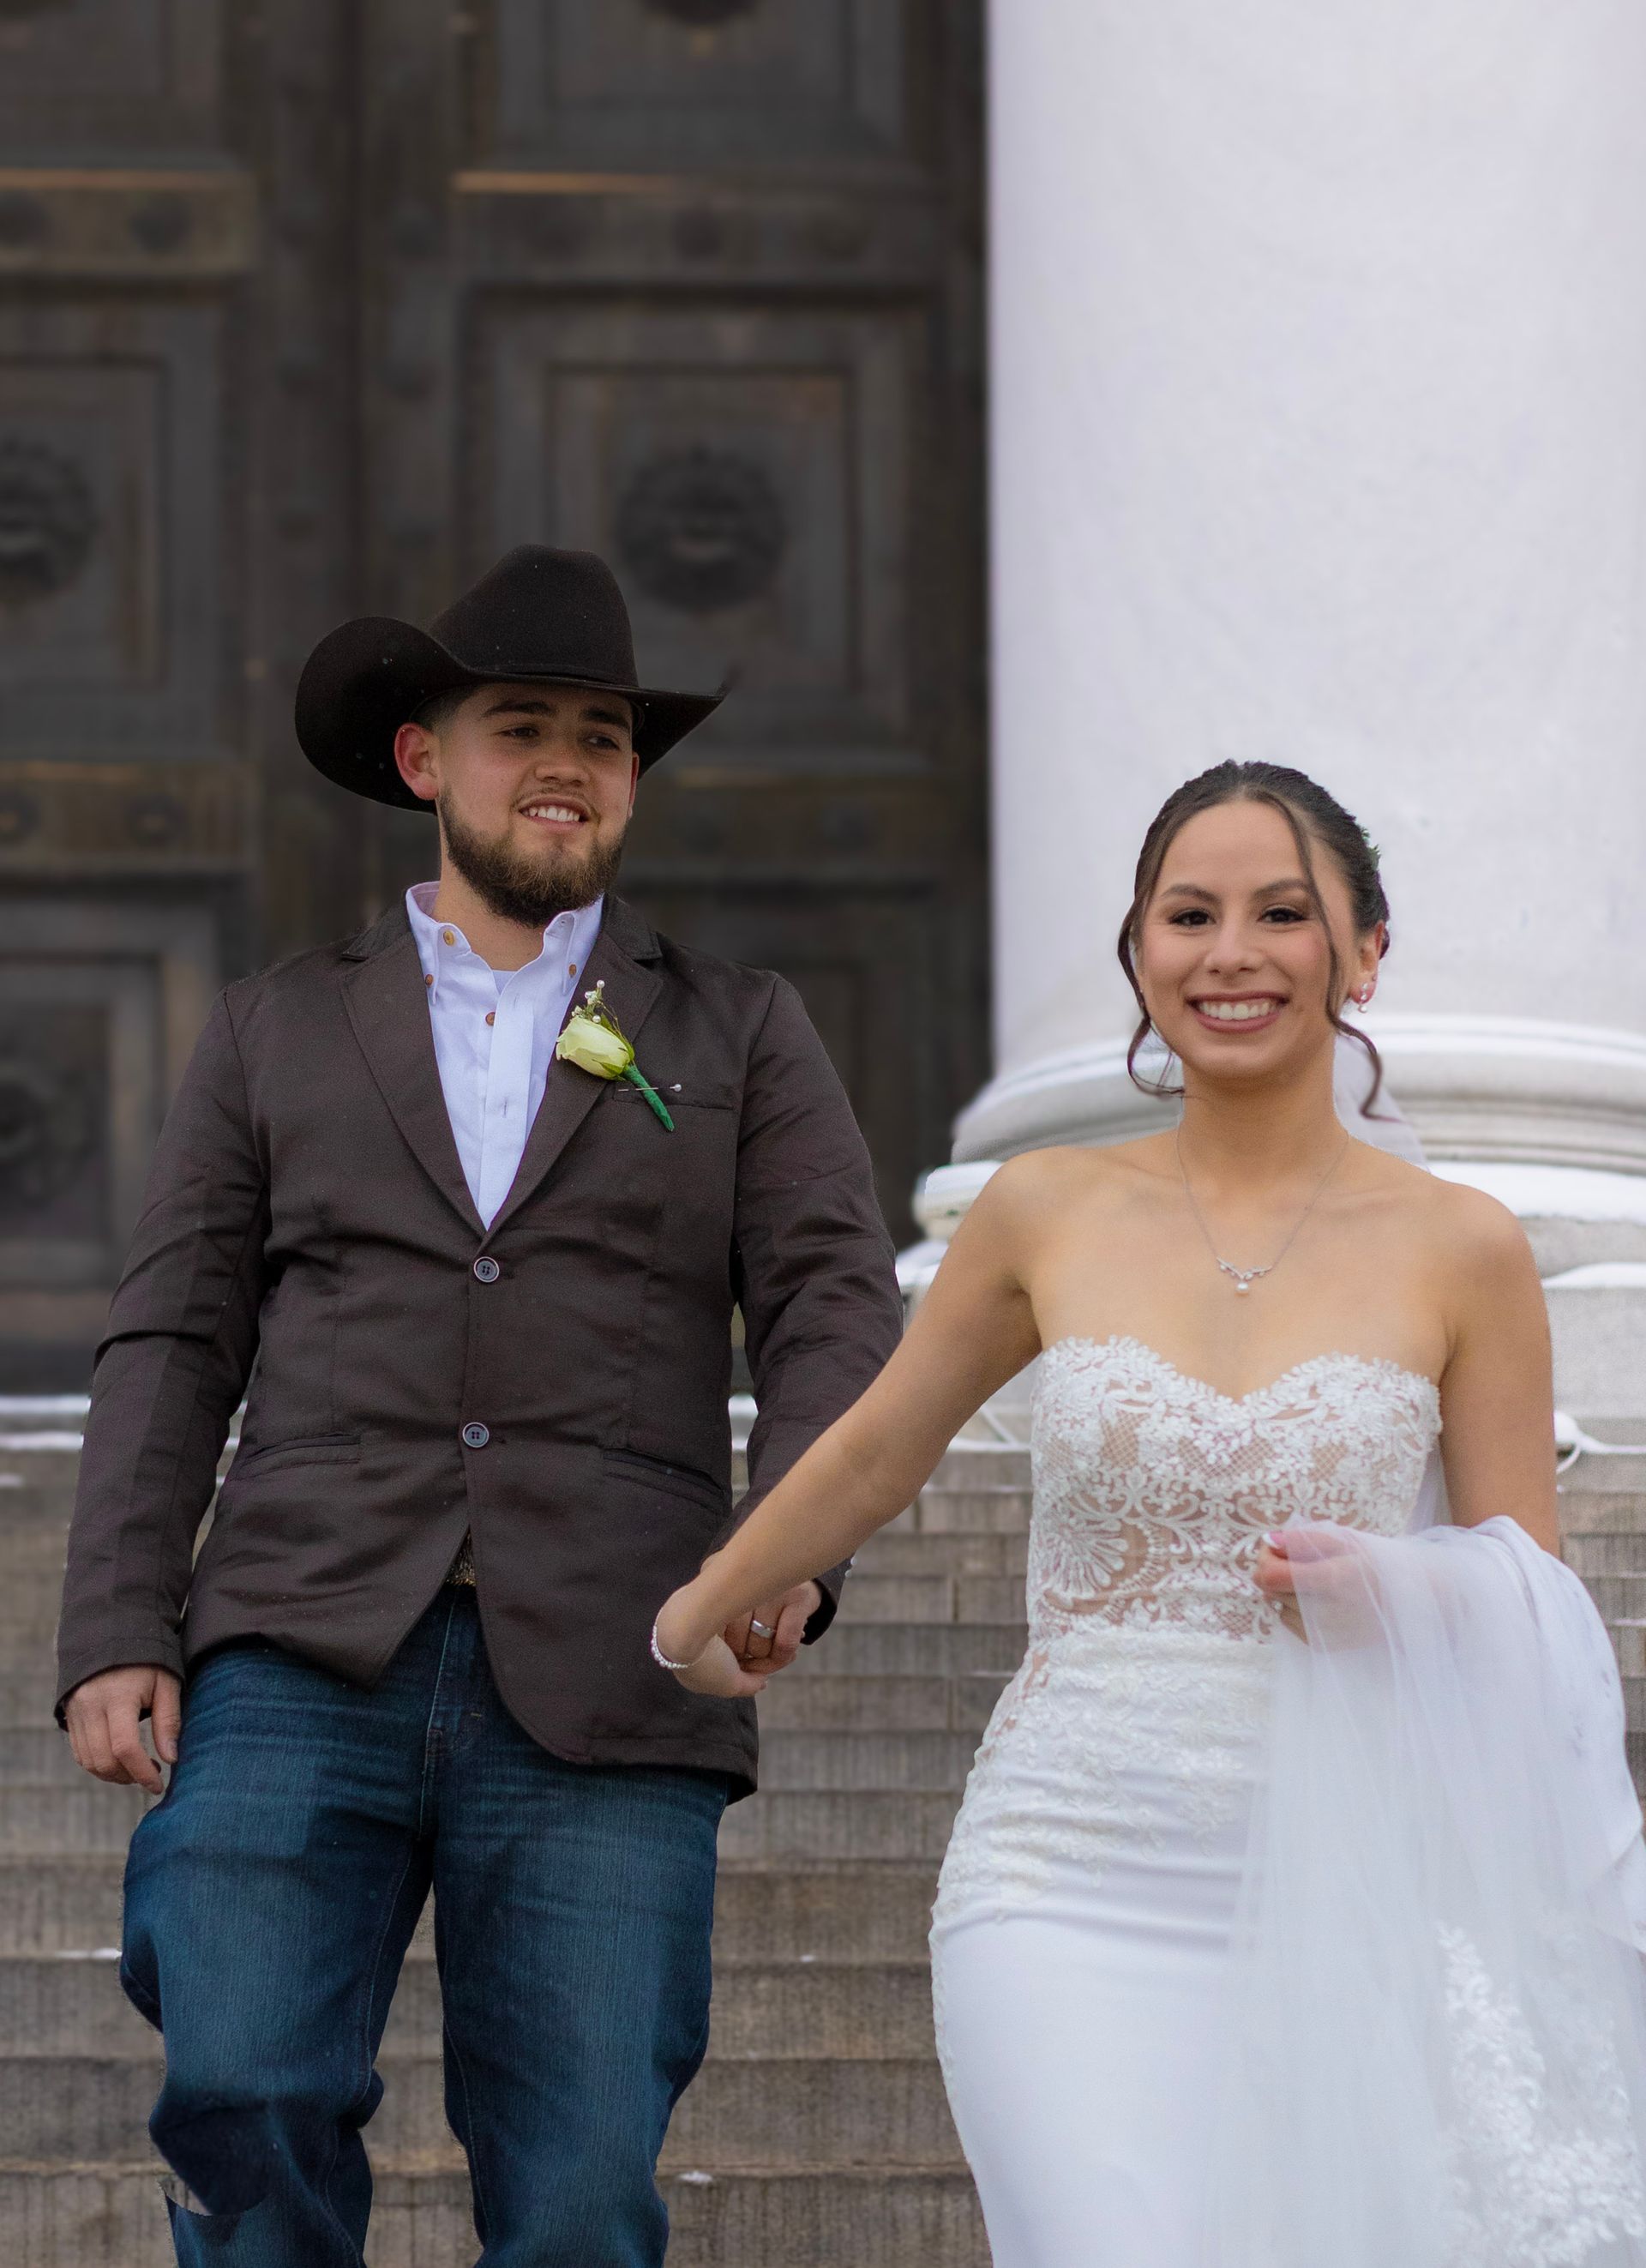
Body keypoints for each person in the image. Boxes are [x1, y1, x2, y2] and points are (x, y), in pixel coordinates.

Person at [654, 759, 1646, 2266]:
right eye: (1187, 915)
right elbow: (875, 1449)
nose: (1228, 952)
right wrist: (695, 1605)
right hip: (1066, 1870)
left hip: (1341, 1884)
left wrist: (1396, 1584)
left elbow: (1536, 1594)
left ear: (1364, 950)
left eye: (1280, 913)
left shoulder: (1466, 1247)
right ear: (1137, 951)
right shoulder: (1044, 1208)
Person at [53, 545, 904, 2268]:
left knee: (584, 2188)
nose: (571, 764)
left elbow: (832, 1306)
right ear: (425, 762)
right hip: (297, 1643)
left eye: (604, 734)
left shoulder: (737, 1029)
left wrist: (789, 1545)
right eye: (523, 727)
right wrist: (115, 1624)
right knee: (239, 2087)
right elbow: (174, 1340)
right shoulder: (275, 1026)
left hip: (620, 1658)